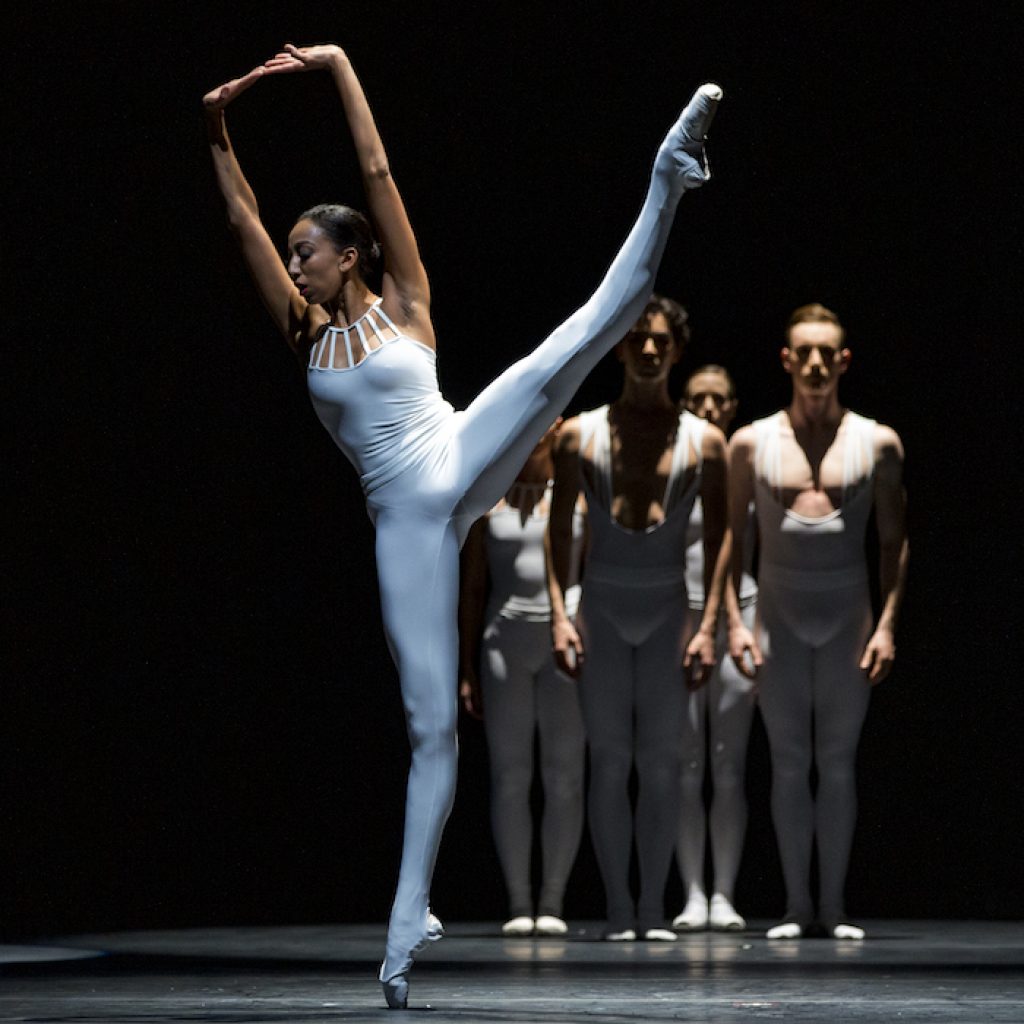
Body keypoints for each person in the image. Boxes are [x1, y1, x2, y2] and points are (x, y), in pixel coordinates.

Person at [204, 41, 722, 1007]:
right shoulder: (301, 331)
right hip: (404, 521)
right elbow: (238, 214)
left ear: (349, 252)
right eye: (290, 256)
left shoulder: (405, 301)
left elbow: (376, 170)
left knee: (587, 330)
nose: (292, 264)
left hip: (455, 452)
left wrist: (338, 66)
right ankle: (407, 932)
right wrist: (216, 123)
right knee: (430, 729)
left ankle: (668, 175)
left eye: (304, 251)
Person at [547, 297, 729, 941]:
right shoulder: (578, 436)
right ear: (620, 348)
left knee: (659, 761)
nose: (649, 351)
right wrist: (559, 613)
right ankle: (619, 908)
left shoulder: (705, 442)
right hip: (601, 602)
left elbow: (723, 538)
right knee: (608, 760)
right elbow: (557, 529)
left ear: (676, 351)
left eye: (660, 342)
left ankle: (652, 906)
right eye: (637, 340)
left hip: (664, 608)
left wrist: (708, 625)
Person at [727, 304, 908, 940]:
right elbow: (733, 540)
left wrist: (887, 624)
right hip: (777, 614)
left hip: (846, 616)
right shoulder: (750, 442)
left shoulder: (877, 442)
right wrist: (734, 623)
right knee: (786, 760)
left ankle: (832, 905)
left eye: (826, 353)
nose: (814, 364)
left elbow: (894, 541)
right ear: (786, 359)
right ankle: (797, 904)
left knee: (835, 761)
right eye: (803, 352)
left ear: (843, 360)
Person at [458, 421, 587, 937]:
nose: (541, 429)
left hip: (566, 642)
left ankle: (553, 899)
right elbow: (472, 588)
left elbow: (596, 570)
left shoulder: (576, 496)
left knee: (564, 776)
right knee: (511, 777)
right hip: (504, 641)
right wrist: (466, 665)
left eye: (552, 420)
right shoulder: (491, 496)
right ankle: (518, 901)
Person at [672, 365, 757, 932]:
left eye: (718, 400)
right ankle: (692, 893)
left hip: (739, 617)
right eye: (697, 399)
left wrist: (735, 621)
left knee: (728, 764)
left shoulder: (747, 465)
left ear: (731, 407)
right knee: (686, 763)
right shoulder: (674, 461)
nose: (708, 408)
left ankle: (724, 893)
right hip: (680, 618)